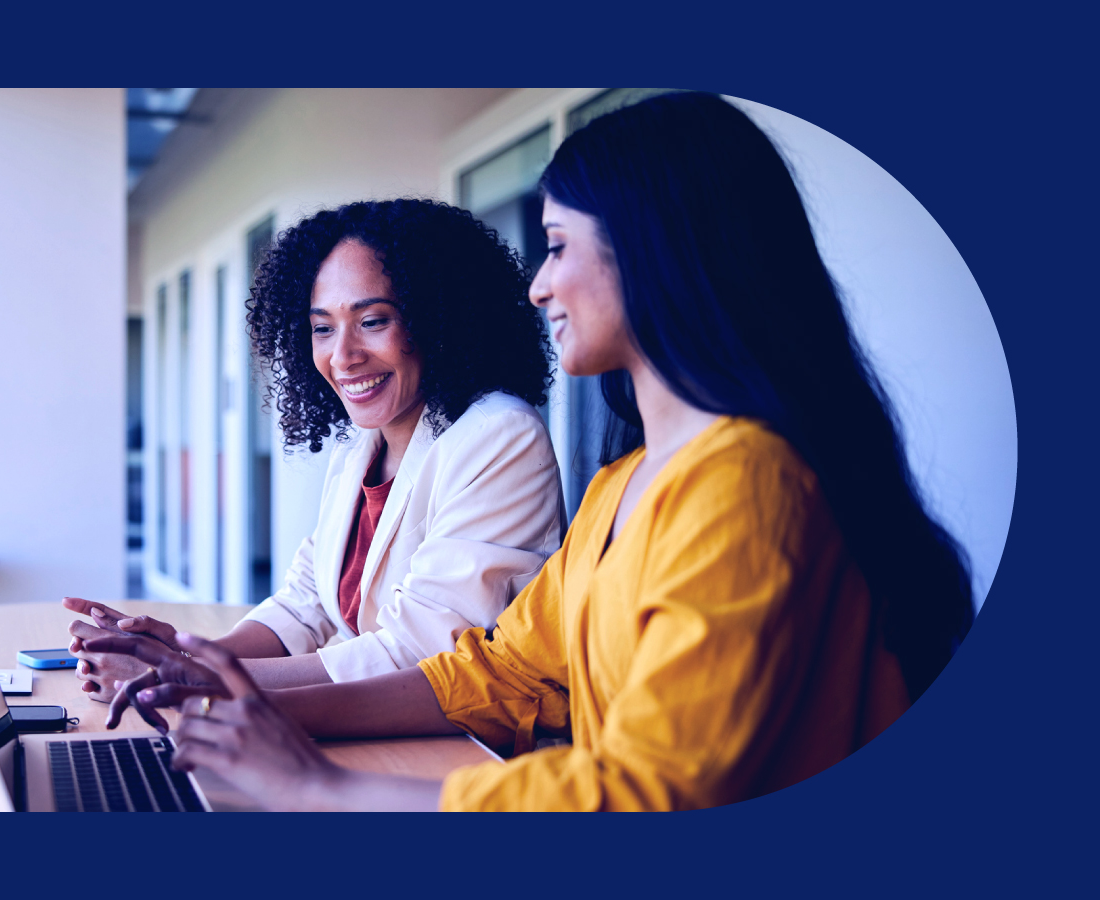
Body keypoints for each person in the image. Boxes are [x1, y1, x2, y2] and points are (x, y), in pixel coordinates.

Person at [92, 92, 976, 812]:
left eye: (556, 248)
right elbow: (502, 668)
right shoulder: (624, 484)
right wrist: (247, 704)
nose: (537, 283)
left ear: (658, 253)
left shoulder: (743, 482)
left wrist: (321, 786)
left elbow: (650, 791)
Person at [66, 199, 563, 698]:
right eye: (322, 328)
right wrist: (183, 652)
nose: (342, 356)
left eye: (373, 321)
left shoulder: (500, 436)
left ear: (441, 319)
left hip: (451, 751)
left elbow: (419, 653)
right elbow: (308, 604)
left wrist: (194, 677)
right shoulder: (361, 444)